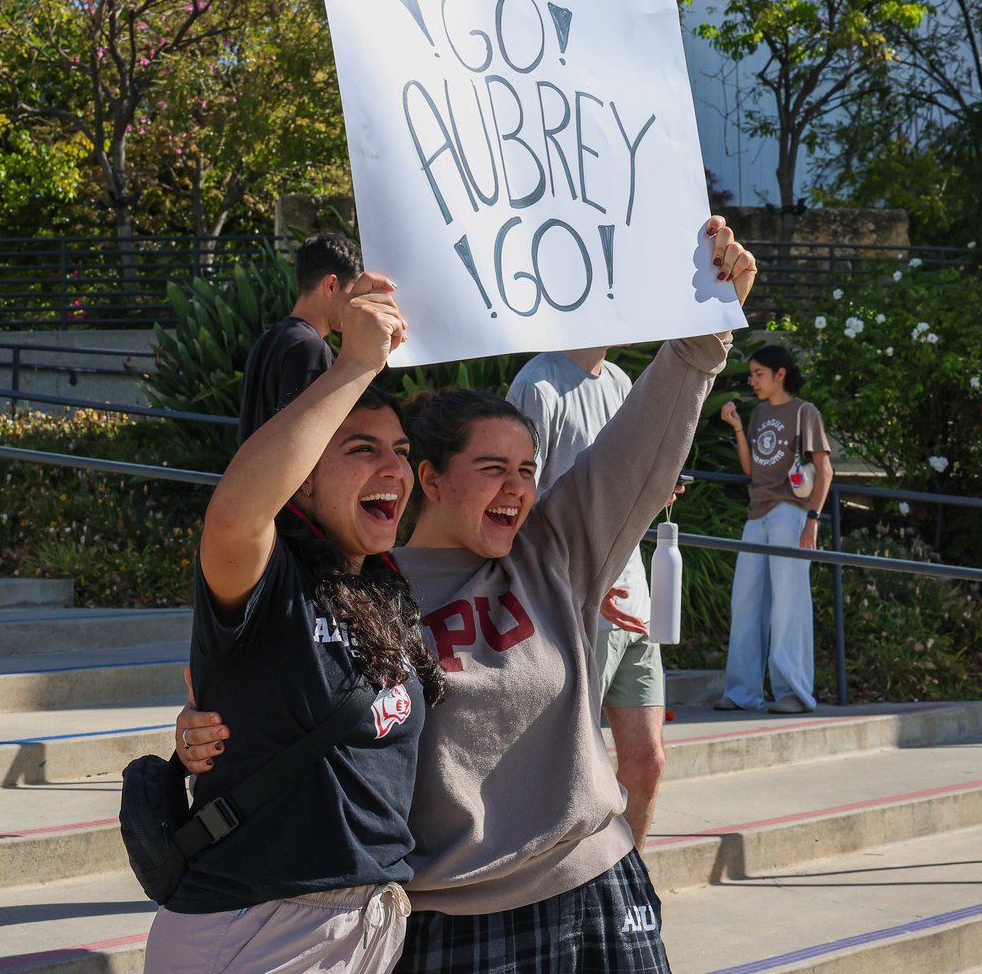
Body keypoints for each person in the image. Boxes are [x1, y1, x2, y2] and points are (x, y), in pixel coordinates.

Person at [178, 216, 757, 973]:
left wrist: (705, 330)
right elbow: (258, 605)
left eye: (528, 469)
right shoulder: (360, 588)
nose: (519, 488)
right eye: (494, 468)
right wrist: (200, 727)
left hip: (599, 887)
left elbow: (641, 445)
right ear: (433, 479)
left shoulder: (557, 553)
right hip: (448, 922)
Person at [144, 277, 444, 974]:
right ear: (303, 481)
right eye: (362, 449)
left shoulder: (389, 588)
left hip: (367, 924)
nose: (392, 467)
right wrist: (355, 365)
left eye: (400, 451)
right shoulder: (267, 579)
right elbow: (233, 515)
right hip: (257, 928)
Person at [506, 347, 680, 850]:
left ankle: (632, 892)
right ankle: (569, 892)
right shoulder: (538, 384)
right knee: (575, 765)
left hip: (635, 601)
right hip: (578, 601)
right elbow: (518, 503)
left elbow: (620, 481)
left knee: (647, 760)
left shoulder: (623, 381)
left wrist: (654, 488)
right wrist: (578, 582)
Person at [715, 343, 832, 715]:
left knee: (788, 606)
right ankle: (742, 691)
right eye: (752, 375)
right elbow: (753, 469)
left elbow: (824, 470)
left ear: (780, 373)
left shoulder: (804, 412)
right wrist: (737, 428)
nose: (753, 381)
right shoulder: (760, 413)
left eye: (758, 374)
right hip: (757, 514)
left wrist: (812, 520)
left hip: (790, 513)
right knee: (745, 602)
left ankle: (793, 692)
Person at [239, 232, 363, 443]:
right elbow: (302, 440)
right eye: (354, 292)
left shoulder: (270, 337)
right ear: (331, 285)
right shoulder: (310, 347)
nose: (358, 304)